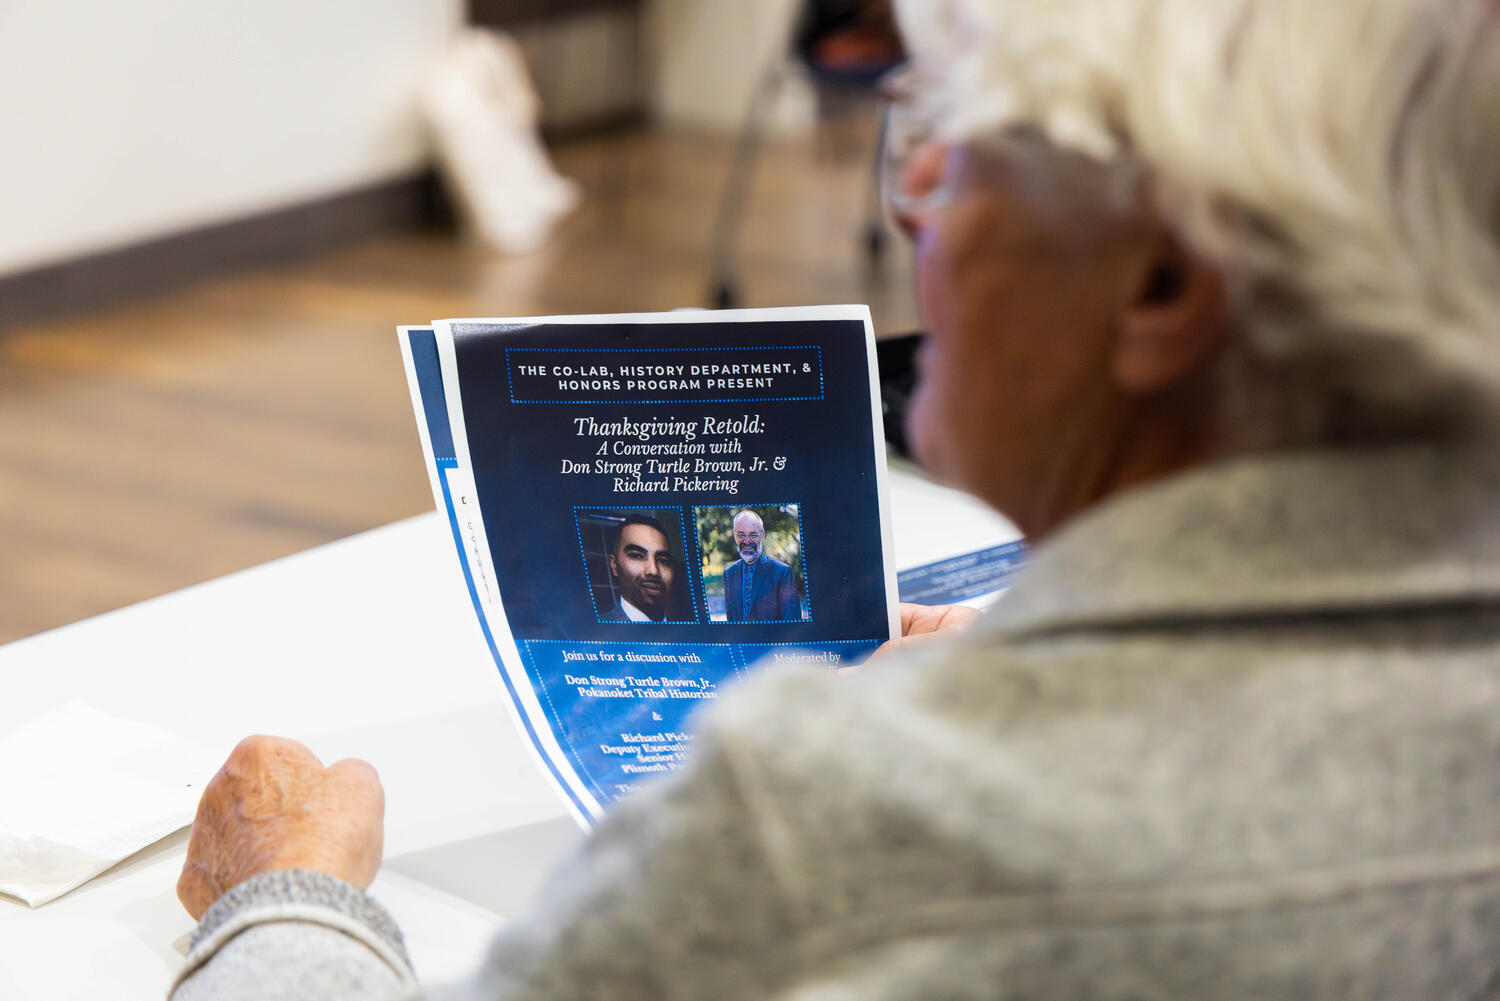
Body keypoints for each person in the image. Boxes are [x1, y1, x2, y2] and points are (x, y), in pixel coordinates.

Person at [172, 0, 1500, 997]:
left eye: (959, 143)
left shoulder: (827, 825)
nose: (912, 195)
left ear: (1161, 284)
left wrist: (283, 902)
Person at [597, 513, 679, 623]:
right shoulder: (593, 632)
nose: (653, 571)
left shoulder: (688, 630)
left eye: (663, 561)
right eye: (636, 556)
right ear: (614, 565)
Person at [720, 510, 798, 622]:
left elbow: (792, 624)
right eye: (741, 535)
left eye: (753, 535)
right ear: (734, 536)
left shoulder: (782, 572)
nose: (747, 541)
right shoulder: (729, 573)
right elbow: (731, 621)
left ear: (763, 535)